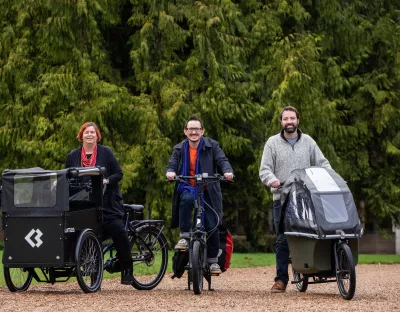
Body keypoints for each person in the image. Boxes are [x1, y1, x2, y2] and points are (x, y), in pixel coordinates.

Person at [259, 106, 332, 293]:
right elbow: (264, 169)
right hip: (282, 197)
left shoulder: (308, 142)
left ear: (298, 120)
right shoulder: (272, 143)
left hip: (307, 198)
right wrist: (272, 180)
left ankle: (309, 267)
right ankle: (281, 279)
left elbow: (323, 163)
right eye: (285, 119)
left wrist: (328, 177)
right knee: (283, 238)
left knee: (310, 234)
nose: (289, 122)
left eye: (292, 118)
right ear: (281, 122)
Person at [65, 121, 133, 285]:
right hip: (82, 204)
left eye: (92, 132)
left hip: (107, 203)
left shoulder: (106, 152)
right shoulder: (73, 156)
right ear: (81, 135)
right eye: (86, 132)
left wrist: (107, 181)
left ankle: (127, 268)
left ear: (97, 136)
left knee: (118, 231)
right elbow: (66, 177)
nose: (89, 135)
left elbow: (119, 173)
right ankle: (92, 271)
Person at [166, 116, 234, 274]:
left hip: (208, 190)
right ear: (185, 131)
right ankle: (184, 236)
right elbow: (172, 164)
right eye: (190, 129)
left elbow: (222, 160)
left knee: (212, 224)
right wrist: (170, 172)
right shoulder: (179, 148)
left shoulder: (212, 146)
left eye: (197, 129)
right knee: (188, 199)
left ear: (202, 131)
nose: (194, 132)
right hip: (187, 187)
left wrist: (227, 171)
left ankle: (212, 261)